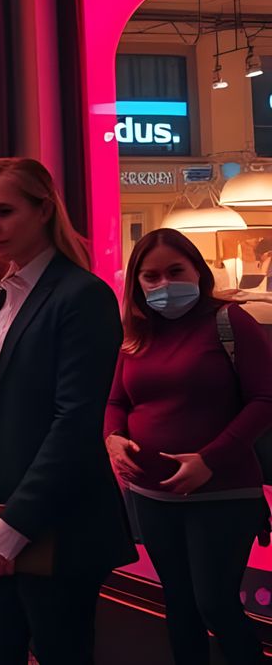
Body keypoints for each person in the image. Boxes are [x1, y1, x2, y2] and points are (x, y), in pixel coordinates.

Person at [0, 157, 135, 664]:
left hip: (56, 526)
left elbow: (75, 422)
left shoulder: (82, 296)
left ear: (44, 210)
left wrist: (16, 525)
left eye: (3, 211)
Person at [105, 228, 272, 665]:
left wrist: (209, 460)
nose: (163, 285)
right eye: (151, 276)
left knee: (215, 603)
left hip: (223, 494)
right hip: (151, 497)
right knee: (179, 605)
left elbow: (265, 399)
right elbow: (116, 400)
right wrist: (113, 438)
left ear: (197, 270)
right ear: (137, 283)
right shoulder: (135, 333)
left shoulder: (230, 321)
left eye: (175, 271)